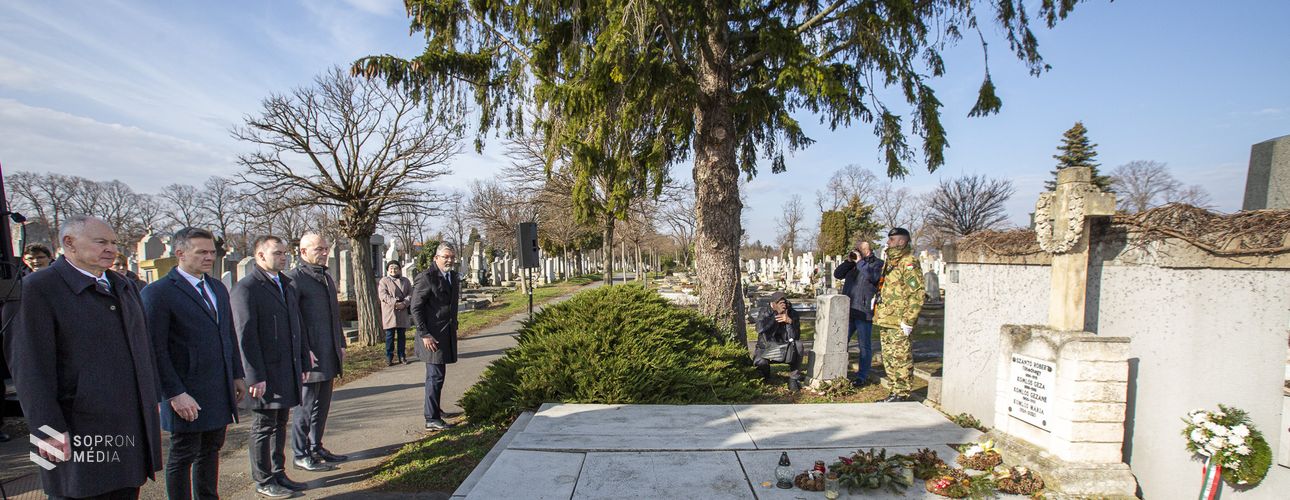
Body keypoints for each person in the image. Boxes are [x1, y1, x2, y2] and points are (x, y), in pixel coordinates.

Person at [3, 215, 162, 499]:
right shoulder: (36, 290)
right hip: (74, 429)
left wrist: (152, 399)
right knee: (75, 492)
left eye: (113, 242)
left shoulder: (122, 285)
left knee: (124, 491)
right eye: (101, 242)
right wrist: (46, 431)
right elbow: (29, 369)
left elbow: (143, 351)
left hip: (125, 426)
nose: (111, 249)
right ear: (69, 244)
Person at [141, 227, 247, 500]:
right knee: (183, 453)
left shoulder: (216, 287)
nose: (209, 257)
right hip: (185, 389)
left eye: (212, 252)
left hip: (217, 385)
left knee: (212, 449)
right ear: (180, 253)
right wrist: (174, 393)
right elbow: (155, 349)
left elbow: (228, 335)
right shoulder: (159, 293)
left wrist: (236, 374)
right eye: (202, 252)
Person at [231, 235, 310, 498]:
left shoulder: (285, 284)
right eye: (277, 253)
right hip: (264, 372)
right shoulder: (247, 288)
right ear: (260, 256)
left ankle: (278, 472)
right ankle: (263, 479)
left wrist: (302, 359)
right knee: (263, 427)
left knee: (280, 423)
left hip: (287, 367)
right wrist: (253, 375)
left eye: (285, 253)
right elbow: (245, 335)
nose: (283, 257)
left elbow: (295, 325)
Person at [283, 233, 348, 472]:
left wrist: (340, 342)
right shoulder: (294, 279)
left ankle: (316, 445)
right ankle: (300, 453)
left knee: (323, 404)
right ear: (303, 252)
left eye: (326, 248)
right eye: (318, 249)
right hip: (309, 355)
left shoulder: (326, 278)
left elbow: (334, 316)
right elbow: (293, 321)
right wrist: (303, 351)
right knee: (306, 406)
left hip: (328, 350)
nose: (324, 252)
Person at [872, 227, 925, 403]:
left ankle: (902, 393)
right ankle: (894, 390)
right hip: (886, 317)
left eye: (892, 240)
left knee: (901, 357)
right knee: (889, 357)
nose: (888, 242)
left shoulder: (908, 262)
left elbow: (916, 293)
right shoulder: (891, 261)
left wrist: (909, 320)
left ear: (902, 241)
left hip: (900, 320)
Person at [411, 244, 459, 431]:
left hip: (445, 333)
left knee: (439, 375)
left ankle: (435, 409)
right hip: (431, 336)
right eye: (446, 257)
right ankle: (431, 418)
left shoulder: (452, 276)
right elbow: (415, 308)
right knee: (435, 376)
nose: (449, 260)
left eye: (452, 257)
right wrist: (424, 334)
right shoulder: (426, 277)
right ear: (436, 257)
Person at [833, 240, 884, 387]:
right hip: (848, 310)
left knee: (864, 346)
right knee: (840, 342)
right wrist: (849, 262)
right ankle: (837, 371)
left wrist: (861, 262)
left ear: (867, 250)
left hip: (863, 310)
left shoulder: (877, 264)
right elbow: (837, 274)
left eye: (859, 249)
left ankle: (862, 376)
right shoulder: (853, 265)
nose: (856, 251)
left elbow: (873, 278)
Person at [753, 292, 805, 391]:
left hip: (786, 348)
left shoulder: (792, 313)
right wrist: (775, 317)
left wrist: (789, 322)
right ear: (773, 304)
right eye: (779, 302)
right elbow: (760, 329)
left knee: (799, 345)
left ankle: (793, 378)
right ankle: (766, 377)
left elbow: (795, 336)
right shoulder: (764, 312)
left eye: (784, 302)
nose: (783, 305)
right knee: (760, 362)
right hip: (767, 347)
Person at [378, 260, 413, 365]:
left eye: (395, 268)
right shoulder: (384, 281)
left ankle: (402, 355)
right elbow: (383, 295)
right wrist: (395, 303)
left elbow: (410, 293)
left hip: (402, 311)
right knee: (390, 336)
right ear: (388, 270)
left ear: (399, 269)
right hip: (390, 312)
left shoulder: (405, 281)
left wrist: (405, 303)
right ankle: (389, 357)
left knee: (402, 335)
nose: (393, 270)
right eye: (391, 268)